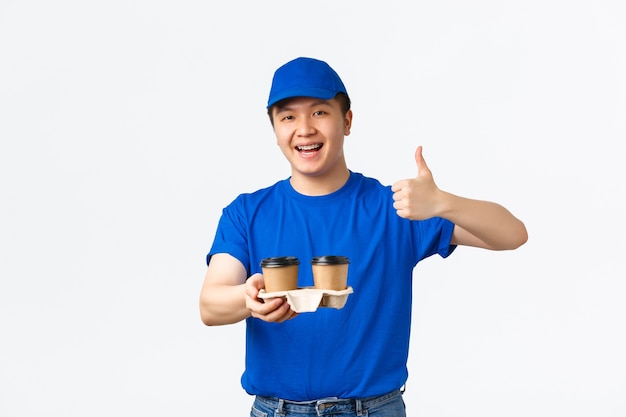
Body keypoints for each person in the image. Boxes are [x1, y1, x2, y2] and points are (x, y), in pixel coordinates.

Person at [199, 56, 528, 417]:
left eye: (320, 112)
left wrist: (443, 202)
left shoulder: (396, 208)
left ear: (347, 121)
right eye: (288, 116)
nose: (304, 129)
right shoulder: (246, 212)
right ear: (275, 129)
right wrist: (249, 300)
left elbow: (512, 234)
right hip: (275, 410)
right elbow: (210, 305)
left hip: (373, 409)